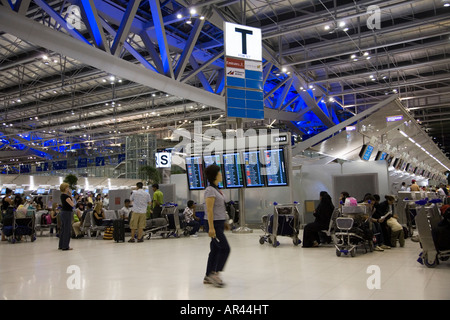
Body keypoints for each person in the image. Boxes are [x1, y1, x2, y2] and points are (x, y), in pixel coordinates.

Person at [204, 164, 230, 288]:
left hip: (219, 222)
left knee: (215, 250)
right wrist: (211, 227)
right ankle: (215, 273)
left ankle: (208, 275)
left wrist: (224, 222)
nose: (221, 174)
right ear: (215, 175)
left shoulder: (217, 189)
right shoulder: (210, 190)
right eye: (219, 172)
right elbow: (209, 210)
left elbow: (219, 208)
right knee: (225, 248)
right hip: (213, 223)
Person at [59, 182, 75, 251]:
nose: (68, 188)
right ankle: (65, 246)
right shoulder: (66, 197)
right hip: (67, 213)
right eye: (67, 187)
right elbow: (72, 204)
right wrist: (71, 196)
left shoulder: (62, 196)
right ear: (65, 188)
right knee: (67, 229)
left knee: (63, 229)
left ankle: (61, 245)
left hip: (63, 213)